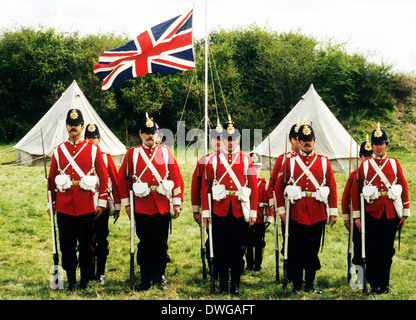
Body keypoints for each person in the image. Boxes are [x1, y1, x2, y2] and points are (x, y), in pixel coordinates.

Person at [118, 113, 183, 291]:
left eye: (152, 132)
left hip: (162, 205)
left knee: (161, 242)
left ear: (157, 134)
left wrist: (176, 203)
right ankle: (145, 276)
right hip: (142, 205)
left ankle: (159, 274)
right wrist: (127, 204)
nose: (149, 136)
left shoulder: (165, 152)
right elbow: (122, 179)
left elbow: (175, 177)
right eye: (146, 133)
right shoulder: (132, 154)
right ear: (140, 134)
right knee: (145, 243)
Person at [47, 108, 109, 291]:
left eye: (76, 125)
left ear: (82, 127)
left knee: (86, 246)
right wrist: (51, 204)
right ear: (67, 127)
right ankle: (71, 280)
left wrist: (101, 202)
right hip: (65, 206)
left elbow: (103, 177)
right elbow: (51, 180)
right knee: (67, 246)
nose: (73, 128)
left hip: (85, 205)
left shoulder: (93, 150)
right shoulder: (58, 151)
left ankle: (85, 281)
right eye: (70, 125)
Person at [275, 124, 337, 293]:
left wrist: (332, 212)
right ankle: (296, 285)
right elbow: (278, 187)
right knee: (296, 250)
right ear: (299, 142)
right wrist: (281, 210)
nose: (307, 143)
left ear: (314, 141)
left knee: (312, 250)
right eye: (304, 140)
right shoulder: (289, 162)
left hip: (317, 212)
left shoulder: (324, 161)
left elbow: (332, 186)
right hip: (296, 213)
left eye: (310, 140)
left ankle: (310, 284)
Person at [201, 116, 258, 296]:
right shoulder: (213, 160)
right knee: (220, 249)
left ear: (239, 139)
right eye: (226, 138)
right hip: (219, 209)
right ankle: (223, 285)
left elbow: (253, 186)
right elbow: (206, 186)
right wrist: (205, 212)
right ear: (222, 139)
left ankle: (235, 285)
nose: (230, 141)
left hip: (240, 210)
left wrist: (253, 211)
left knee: (237, 250)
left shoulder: (246, 159)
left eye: (233, 138)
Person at [351, 123, 410, 295]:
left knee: (387, 251)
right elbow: (356, 191)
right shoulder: (365, 165)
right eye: (376, 144)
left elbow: (403, 188)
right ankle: (373, 284)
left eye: (381, 143)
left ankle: (384, 285)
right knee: (372, 251)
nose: (378, 147)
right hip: (371, 213)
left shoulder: (394, 163)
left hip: (390, 213)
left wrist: (404, 213)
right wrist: (357, 216)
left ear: (386, 145)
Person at [84, 122, 121, 285]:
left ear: (99, 139)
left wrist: (118, 206)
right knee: (86, 240)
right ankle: (88, 271)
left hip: (103, 204)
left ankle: (100, 273)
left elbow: (115, 180)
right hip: (84, 205)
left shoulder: (106, 157)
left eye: (95, 138)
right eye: (89, 138)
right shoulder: (79, 158)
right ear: (84, 139)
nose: (92, 141)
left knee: (101, 240)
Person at [190, 122, 223, 278]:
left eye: (221, 138)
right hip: (211, 207)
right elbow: (196, 186)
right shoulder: (204, 160)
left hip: (231, 208)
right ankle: (214, 269)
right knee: (214, 238)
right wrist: (197, 210)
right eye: (215, 139)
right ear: (210, 141)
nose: (218, 142)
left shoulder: (236, 160)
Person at [341, 138, 373, 268]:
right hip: (357, 219)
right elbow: (345, 199)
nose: (368, 159)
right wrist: (346, 219)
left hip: (372, 217)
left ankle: (370, 278)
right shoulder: (354, 175)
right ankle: (359, 278)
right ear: (360, 157)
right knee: (358, 249)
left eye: (370, 156)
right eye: (365, 156)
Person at [244, 151, 272, 271]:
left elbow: (269, 202)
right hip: (248, 216)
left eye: (257, 167)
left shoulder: (264, 184)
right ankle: (249, 263)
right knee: (248, 242)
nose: (255, 169)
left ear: (260, 167)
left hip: (261, 216)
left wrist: (269, 217)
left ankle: (258, 264)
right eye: (253, 167)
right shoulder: (245, 183)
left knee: (259, 242)